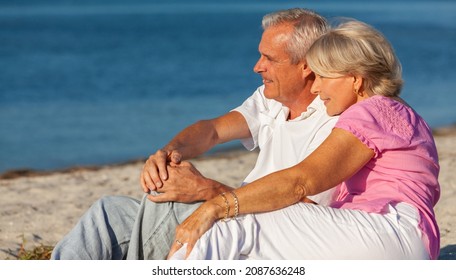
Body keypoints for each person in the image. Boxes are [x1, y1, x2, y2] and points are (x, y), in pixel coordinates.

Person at [51, 8, 339, 260]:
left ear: (305, 66)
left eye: (269, 58)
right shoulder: (272, 100)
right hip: (230, 211)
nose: (257, 66)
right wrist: (168, 153)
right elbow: (211, 131)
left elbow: (304, 217)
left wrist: (209, 191)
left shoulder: (332, 123)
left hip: (253, 234)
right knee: (109, 212)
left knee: (167, 199)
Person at [167, 20, 441, 260]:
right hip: (393, 238)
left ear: (355, 79)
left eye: (323, 76)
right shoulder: (398, 112)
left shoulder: (372, 112)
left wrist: (216, 205)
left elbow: (301, 182)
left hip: (389, 231)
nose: (317, 86)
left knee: (233, 222)